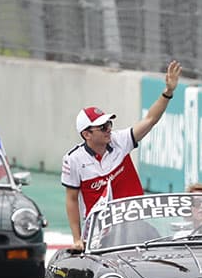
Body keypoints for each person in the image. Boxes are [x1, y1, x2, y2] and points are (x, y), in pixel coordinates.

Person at [62, 59, 181, 251]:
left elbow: (150, 120)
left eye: (109, 124)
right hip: (100, 234)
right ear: (86, 134)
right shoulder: (73, 159)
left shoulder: (120, 140)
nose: (108, 129)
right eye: (102, 127)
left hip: (134, 225)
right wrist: (77, 239)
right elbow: (71, 199)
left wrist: (167, 93)